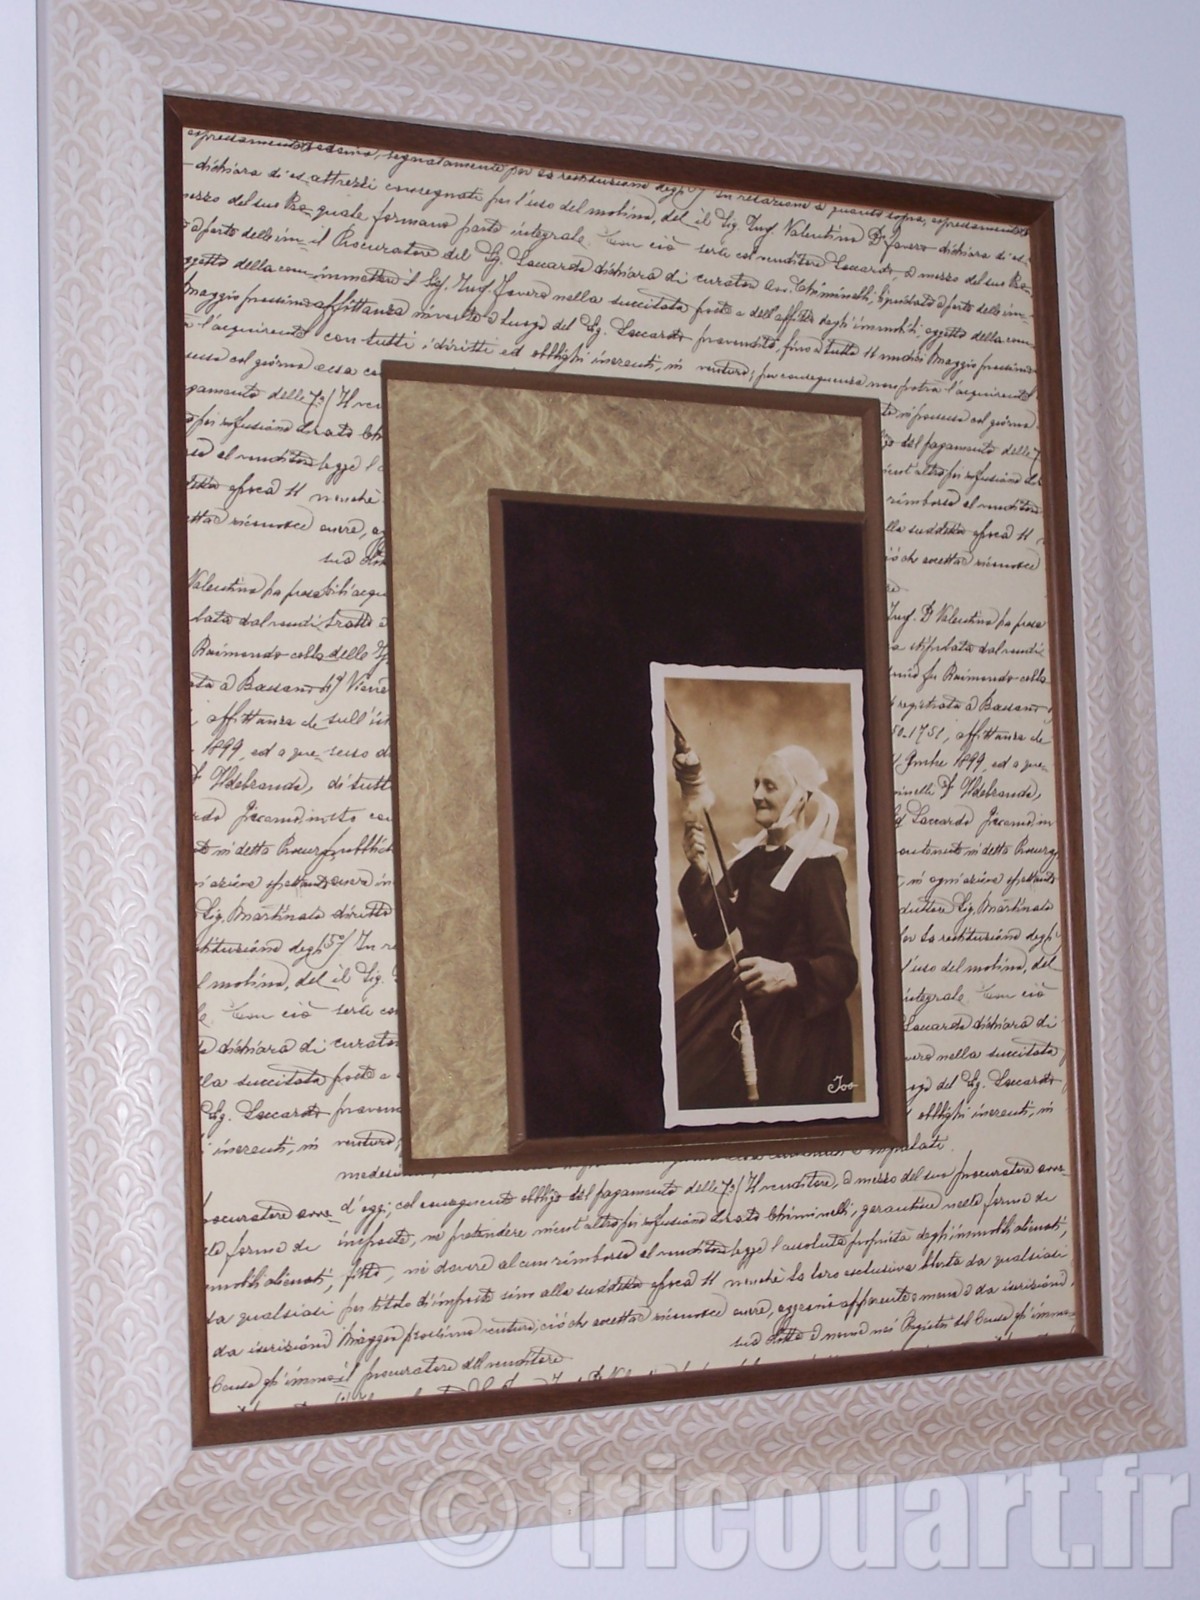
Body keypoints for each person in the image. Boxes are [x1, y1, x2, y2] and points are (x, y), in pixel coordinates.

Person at [674, 744, 858, 1109]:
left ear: (801, 797)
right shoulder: (751, 861)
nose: (757, 794)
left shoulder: (819, 868)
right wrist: (699, 870)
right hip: (745, 998)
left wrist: (789, 973)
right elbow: (709, 934)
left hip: (800, 1023)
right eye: (756, 784)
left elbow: (842, 967)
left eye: (769, 786)